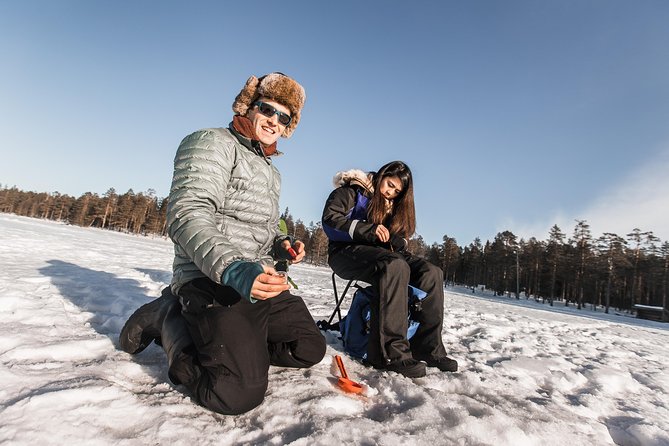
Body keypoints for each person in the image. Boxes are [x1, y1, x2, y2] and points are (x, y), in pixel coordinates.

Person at [119, 72, 326, 414]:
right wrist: (234, 268)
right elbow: (188, 212)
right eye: (268, 109)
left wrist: (283, 243)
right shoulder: (212, 142)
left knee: (308, 348)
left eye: (284, 118)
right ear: (249, 106)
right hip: (211, 276)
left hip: (258, 280)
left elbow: (261, 228)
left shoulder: (271, 170)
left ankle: (234, 342)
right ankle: (171, 315)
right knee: (236, 393)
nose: (275, 121)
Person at [321, 161, 458, 378]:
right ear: (382, 175)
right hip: (345, 251)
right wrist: (369, 230)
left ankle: (427, 347)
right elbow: (331, 221)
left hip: (383, 254)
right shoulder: (353, 190)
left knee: (431, 273)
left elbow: (403, 239)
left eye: (396, 190)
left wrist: (398, 240)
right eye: (389, 184)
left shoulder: (393, 206)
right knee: (394, 265)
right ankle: (389, 353)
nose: (390, 192)